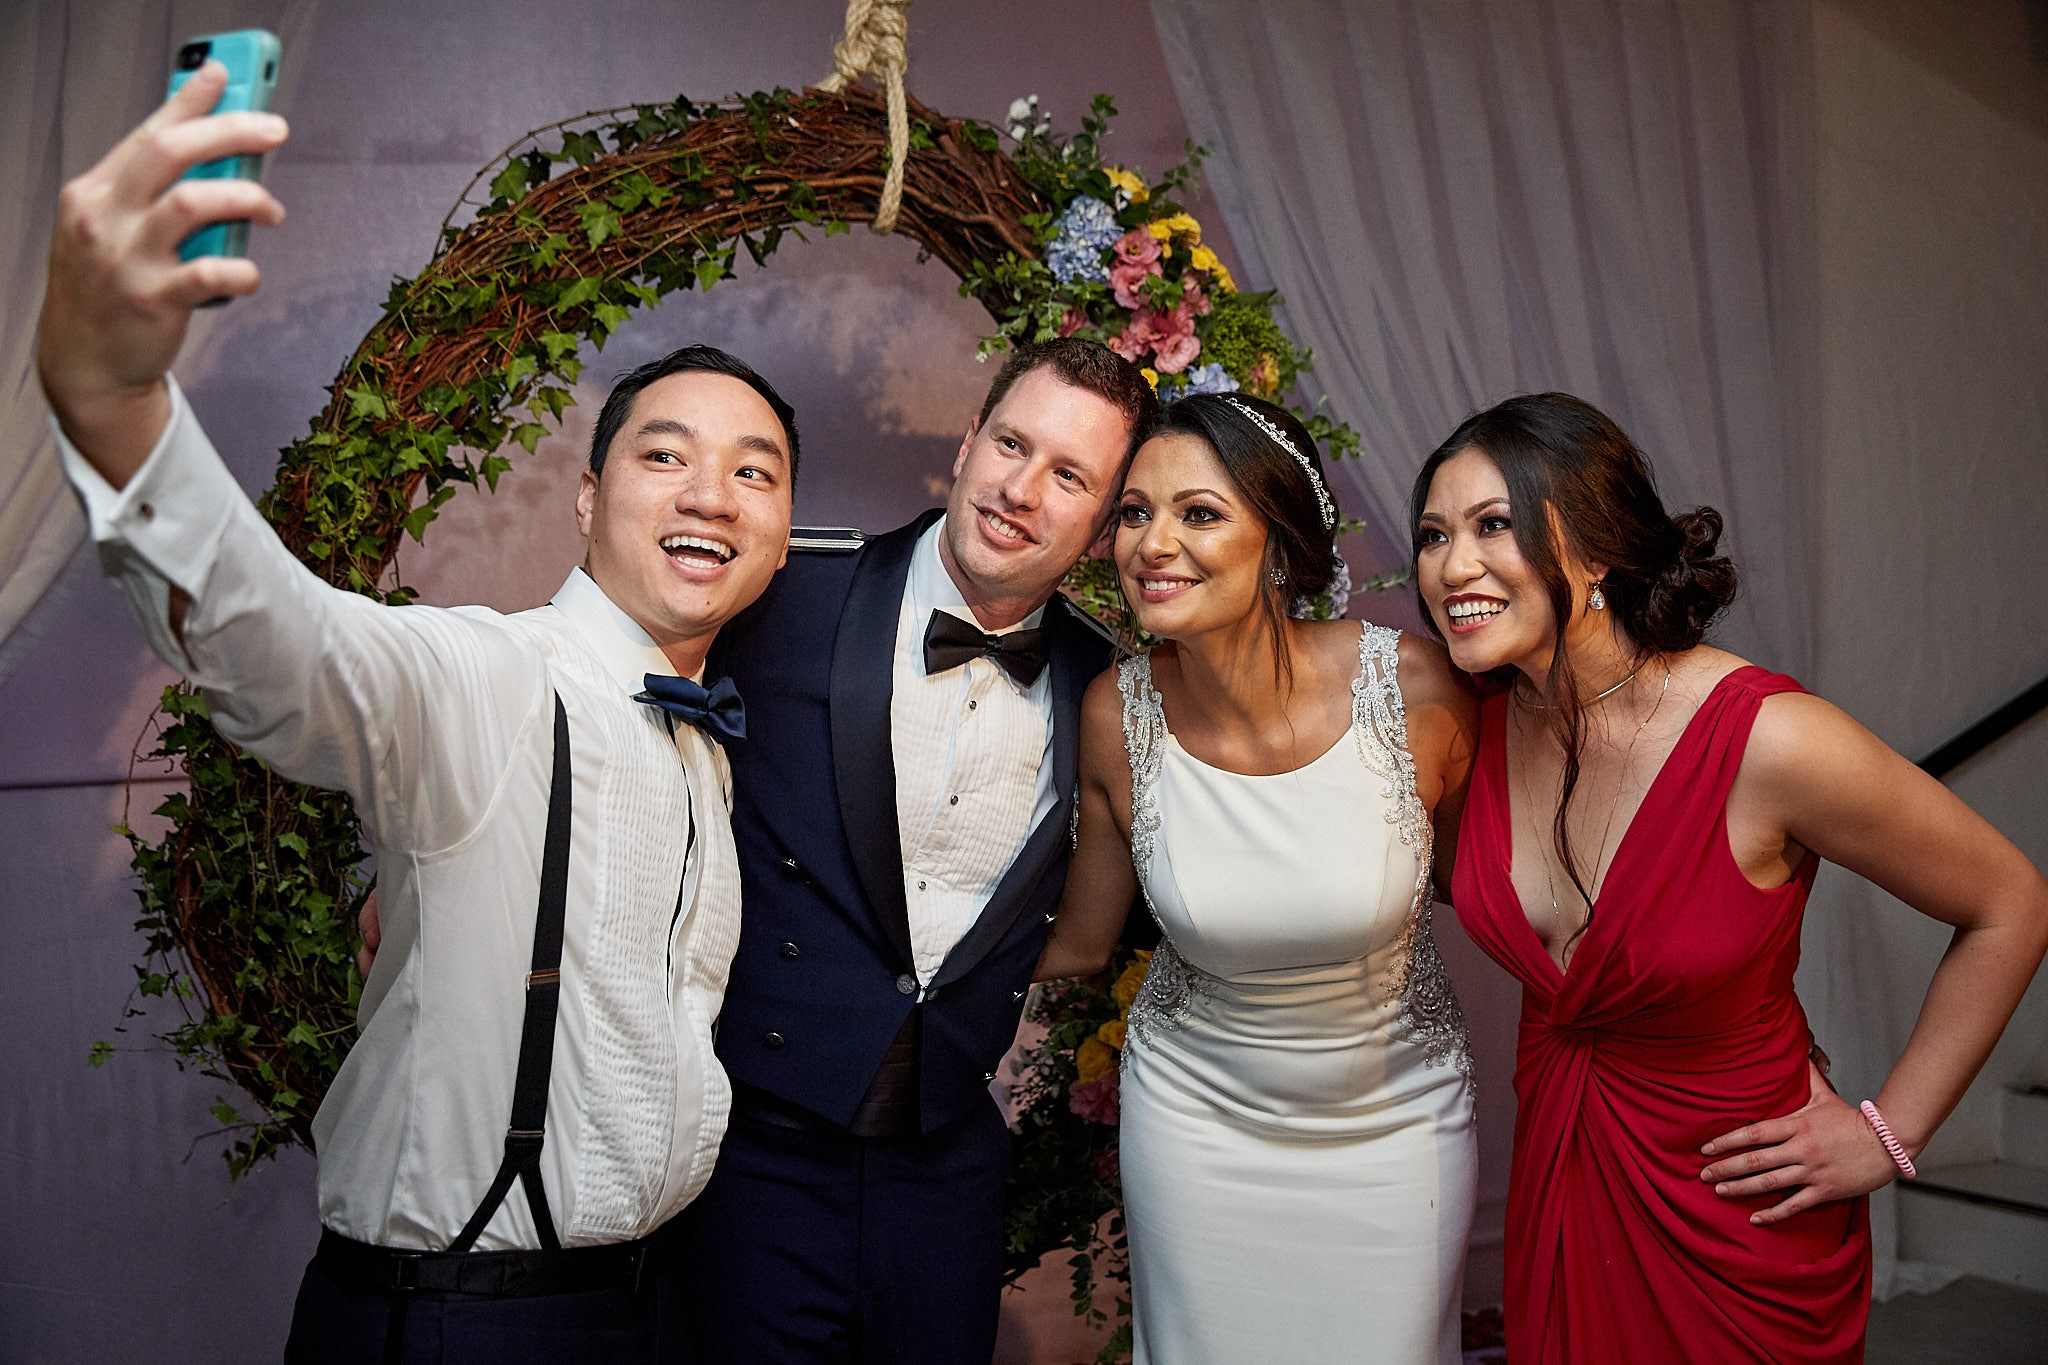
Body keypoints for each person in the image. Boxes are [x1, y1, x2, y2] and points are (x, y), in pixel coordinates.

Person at [38, 65, 797, 1363]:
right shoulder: (498, 680)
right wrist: (112, 403)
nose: (712, 495)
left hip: (645, 1307)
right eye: (665, 455)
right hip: (458, 1324)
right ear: (585, 495)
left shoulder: (701, 752)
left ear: (783, 537)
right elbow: (291, 652)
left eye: (755, 472)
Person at [1410, 392, 2048, 1364]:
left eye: (1491, 525)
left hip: (1739, 1208)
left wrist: (1890, 1129)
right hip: (1564, 1176)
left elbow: (2009, 903)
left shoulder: (1769, 739)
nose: (1451, 567)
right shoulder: (1471, 735)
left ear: (1596, 547)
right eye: (1431, 534)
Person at [663, 336, 1158, 1363]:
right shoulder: (781, 590)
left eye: (1067, 476)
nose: (1020, 490)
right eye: (1011, 445)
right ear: (968, 441)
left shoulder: (1110, 692)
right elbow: (596, 700)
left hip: (947, 1172)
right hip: (748, 1156)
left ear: (1107, 522)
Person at [1035, 392, 1482, 1364]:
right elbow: (1076, 941)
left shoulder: (1413, 689)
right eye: (1134, 513)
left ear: (1277, 543)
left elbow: (1493, 884)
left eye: (1197, 512)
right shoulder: (1119, 714)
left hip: (1393, 1129)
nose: (1152, 543)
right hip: (1195, 1130)